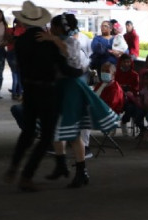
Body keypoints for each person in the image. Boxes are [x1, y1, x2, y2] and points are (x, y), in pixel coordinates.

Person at [4, 1, 84, 191]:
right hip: (48, 92)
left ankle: (14, 165)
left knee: (28, 132)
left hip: (29, 90)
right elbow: (64, 67)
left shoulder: (21, 42)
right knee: (46, 135)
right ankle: (27, 175)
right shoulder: (48, 42)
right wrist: (79, 71)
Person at [43, 13, 120, 187]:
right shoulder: (59, 41)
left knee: (73, 130)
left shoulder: (71, 42)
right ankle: (63, 165)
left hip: (71, 89)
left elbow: (76, 63)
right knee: (57, 129)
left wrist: (53, 41)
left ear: (61, 28)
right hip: (61, 88)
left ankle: (80, 170)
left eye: (54, 26)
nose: (51, 29)